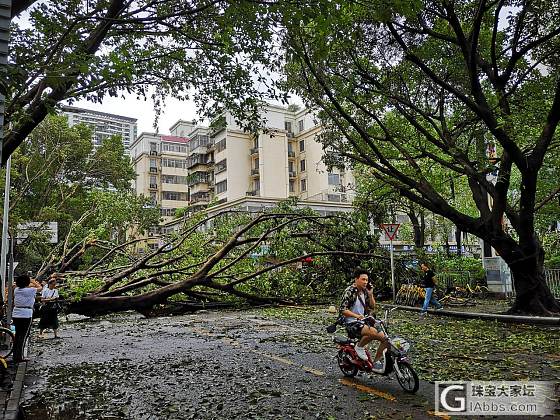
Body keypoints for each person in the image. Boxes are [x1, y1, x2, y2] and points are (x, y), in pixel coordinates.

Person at [339, 268, 389, 370]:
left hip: (364, 321)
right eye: (363, 279)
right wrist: (357, 316)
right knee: (373, 332)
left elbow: (372, 306)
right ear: (356, 279)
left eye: (367, 280)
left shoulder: (365, 292)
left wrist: (370, 295)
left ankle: (376, 362)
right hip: (351, 323)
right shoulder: (349, 291)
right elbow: (343, 310)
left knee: (385, 339)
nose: (365, 282)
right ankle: (359, 346)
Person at [12, 274, 42, 363]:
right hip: (26, 314)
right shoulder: (30, 290)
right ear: (27, 282)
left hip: (16, 313)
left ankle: (15, 355)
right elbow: (40, 288)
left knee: (17, 335)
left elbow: (16, 285)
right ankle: (20, 357)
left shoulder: (16, 290)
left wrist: (28, 281)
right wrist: (32, 280)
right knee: (24, 336)